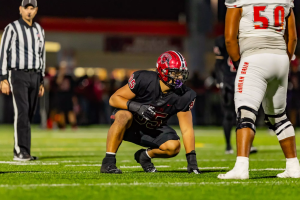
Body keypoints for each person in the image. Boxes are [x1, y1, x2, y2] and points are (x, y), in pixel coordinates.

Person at [218, 0, 299, 179]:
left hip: (254, 57)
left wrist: (240, 63)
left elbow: (230, 38)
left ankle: (241, 167)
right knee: (279, 116)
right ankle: (293, 166)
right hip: (280, 59)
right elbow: (292, 37)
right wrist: (284, 60)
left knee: (245, 113)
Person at [100, 51, 201, 174]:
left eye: (181, 73)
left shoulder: (184, 95)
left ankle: (145, 156)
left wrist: (192, 161)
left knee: (173, 147)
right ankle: (108, 162)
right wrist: (137, 107)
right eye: (175, 73)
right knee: (124, 115)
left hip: (153, 127)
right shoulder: (144, 79)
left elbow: (187, 130)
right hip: (130, 125)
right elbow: (114, 99)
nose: (179, 77)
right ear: (163, 71)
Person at [0, 0, 45, 161]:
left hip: (35, 75)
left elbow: (42, 55)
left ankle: (24, 150)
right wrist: (3, 78)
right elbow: (3, 52)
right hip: (18, 74)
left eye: (32, 8)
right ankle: (20, 151)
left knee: (30, 113)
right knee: (22, 111)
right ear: (20, 9)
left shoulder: (39, 30)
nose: (29, 11)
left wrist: (41, 80)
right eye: (26, 8)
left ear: (36, 10)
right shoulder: (12, 28)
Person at [214, 35, 257, 154]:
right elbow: (218, 63)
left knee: (247, 114)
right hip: (229, 82)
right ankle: (228, 145)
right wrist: (220, 81)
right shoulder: (223, 41)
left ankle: (249, 144)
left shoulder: (247, 38)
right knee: (228, 115)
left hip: (244, 81)